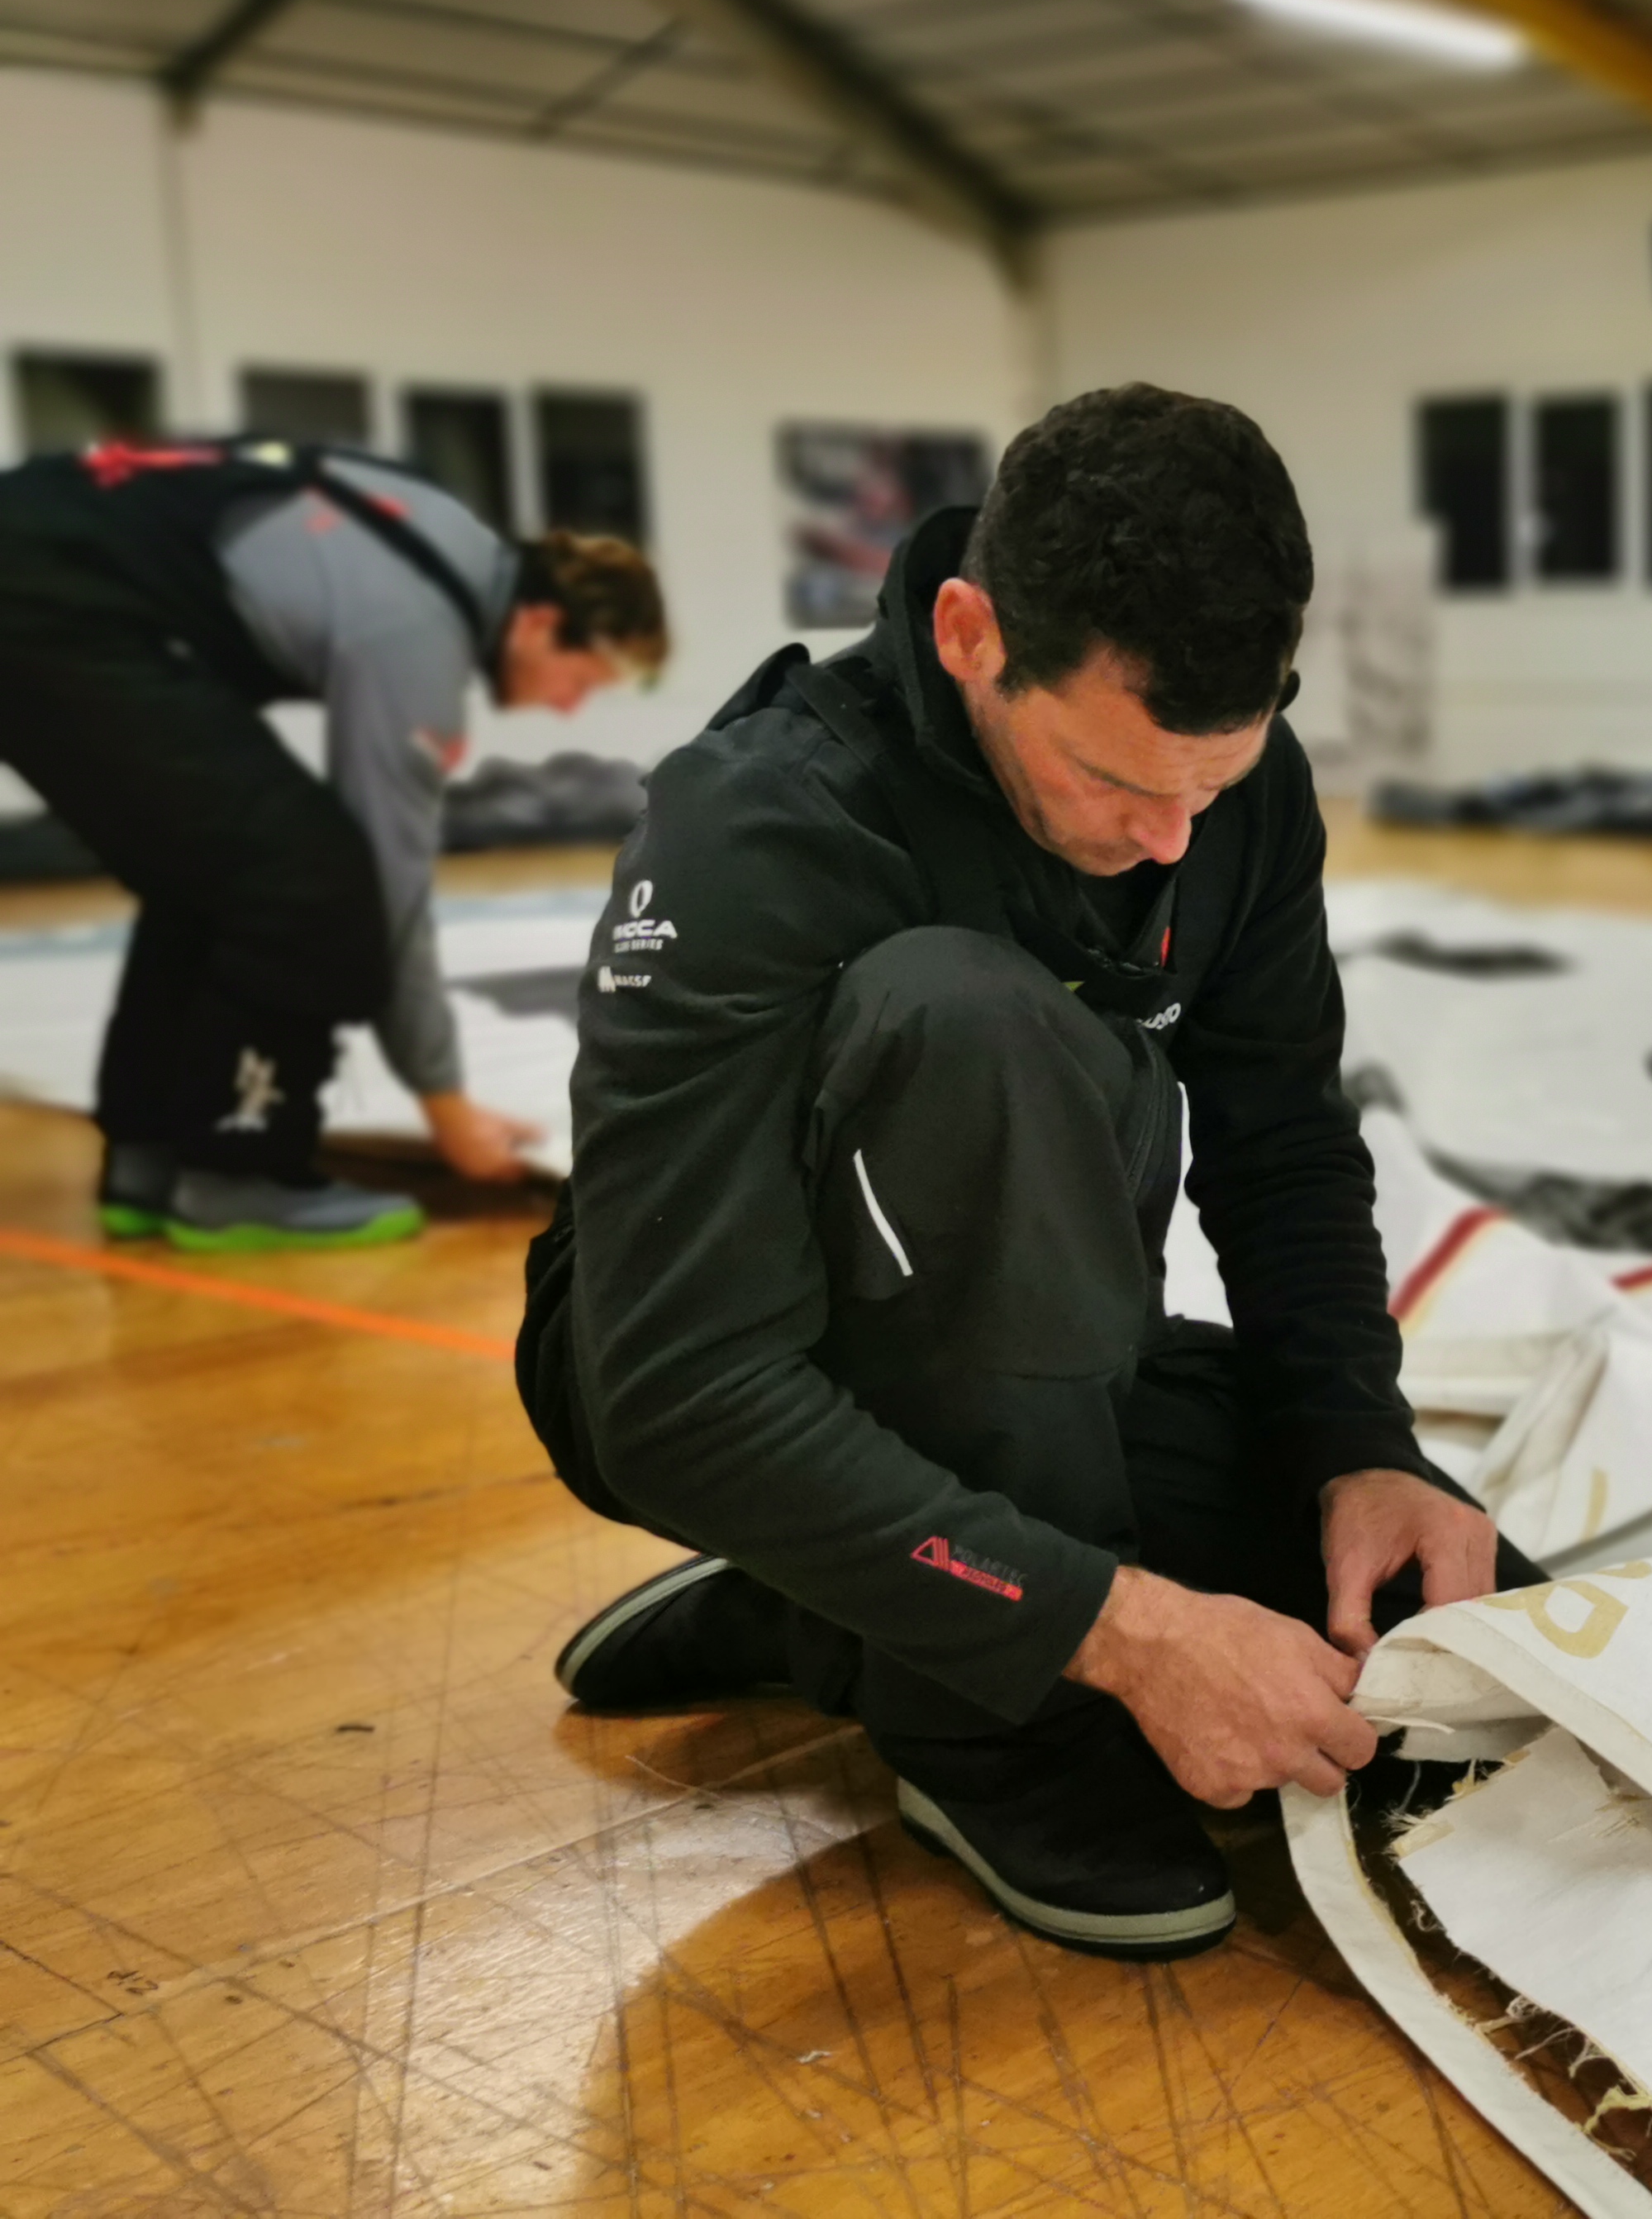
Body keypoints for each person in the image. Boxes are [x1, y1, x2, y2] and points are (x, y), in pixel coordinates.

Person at [521, 385, 1545, 1963]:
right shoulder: (758, 822)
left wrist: (1359, 1438)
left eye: (1211, 784)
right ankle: (985, 1727)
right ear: (968, 636)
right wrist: (1117, 1634)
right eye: (1114, 781)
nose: (1170, 840)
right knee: (964, 1014)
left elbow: (1279, 1133)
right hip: (700, 1360)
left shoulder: (1225, 797)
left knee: (1454, 1649)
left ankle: (832, 1606)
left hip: (1038, 1357)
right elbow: (675, 1392)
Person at [0, 435, 667, 1249]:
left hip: (49, 571)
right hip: (51, 597)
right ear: (540, 623)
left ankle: (152, 1158)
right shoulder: (419, 623)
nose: (568, 709)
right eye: (584, 679)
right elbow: (391, 886)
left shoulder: (437, 534)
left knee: (211, 874)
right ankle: (239, 1167)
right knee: (309, 881)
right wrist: (445, 1103)